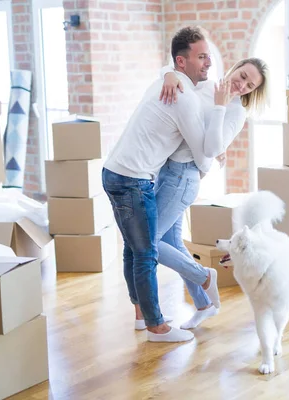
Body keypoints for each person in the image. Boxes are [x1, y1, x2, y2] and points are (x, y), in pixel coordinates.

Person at [102, 26, 234, 343]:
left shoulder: (167, 82)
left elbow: (168, 72)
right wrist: (213, 160)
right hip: (133, 180)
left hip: (117, 171)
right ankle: (156, 327)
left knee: (135, 251)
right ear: (181, 61)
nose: (208, 63)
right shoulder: (183, 98)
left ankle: (141, 316)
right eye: (202, 57)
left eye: (209, 57)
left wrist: (167, 72)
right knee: (146, 253)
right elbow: (203, 150)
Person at [151, 57, 269, 329]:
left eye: (249, 85)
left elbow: (213, 146)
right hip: (167, 170)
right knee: (174, 243)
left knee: (149, 242)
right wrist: (169, 75)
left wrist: (220, 106)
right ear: (234, 68)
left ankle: (203, 275)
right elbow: (175, 74)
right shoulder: (206, 85)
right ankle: (204, 303)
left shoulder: (236, 110)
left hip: (183, 177)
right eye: (242, 76)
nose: (242, 85)